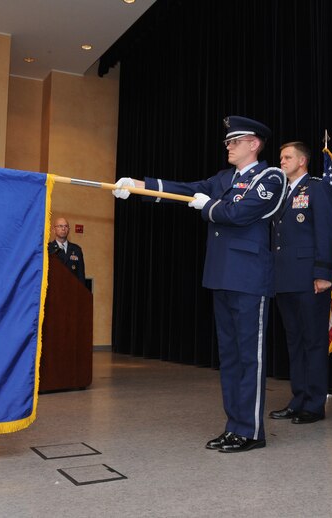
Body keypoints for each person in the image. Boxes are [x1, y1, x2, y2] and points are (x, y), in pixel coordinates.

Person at [113, 116, 286, 452]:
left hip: (249, 278)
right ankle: (234, 425)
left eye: (235, 141)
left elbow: (241, 213)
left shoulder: (270, 177)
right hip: (221, 275)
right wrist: (138, 185)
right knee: (231, 357)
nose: (229, 146)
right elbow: (187, 189)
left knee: (251, 358)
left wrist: (211, 207)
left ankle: (251, 431)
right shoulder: (223, 178)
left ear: (254, 144)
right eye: (228, 142)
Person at [269, 142, 332, 425]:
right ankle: (298, 399)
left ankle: (314, 404)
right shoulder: (281, 192)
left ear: (302, 161)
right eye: (281, 156)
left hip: (310, 278)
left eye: (287, 157)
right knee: (294, 342)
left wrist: (323, 272)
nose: (281, 161)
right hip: (284, 279)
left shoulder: (317, 188)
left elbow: (326, 231)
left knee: (313, 342)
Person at [48, 217, 86, 283]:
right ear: (54, 230)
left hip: (72, 290)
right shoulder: (48, 249)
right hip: (54, 290)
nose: (63, 228)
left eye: (66, 226)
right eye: (60, 226)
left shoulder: (76, 250)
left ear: (68, 229)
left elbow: (81, 276)